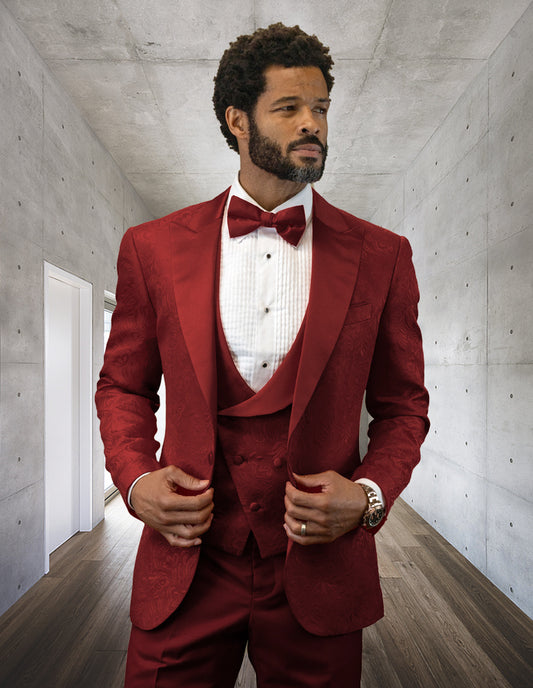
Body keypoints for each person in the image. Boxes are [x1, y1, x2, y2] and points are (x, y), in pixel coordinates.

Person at [96, 22, 429, 688]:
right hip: (186, 565)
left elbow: (402, 406)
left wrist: (367, 496)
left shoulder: (382, 255)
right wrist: (134, 480)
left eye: (321, 109)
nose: (312, 124)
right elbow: (123, 387)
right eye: (289, 109)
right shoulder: (151, 247)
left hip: (319, 565)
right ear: (237, 121)